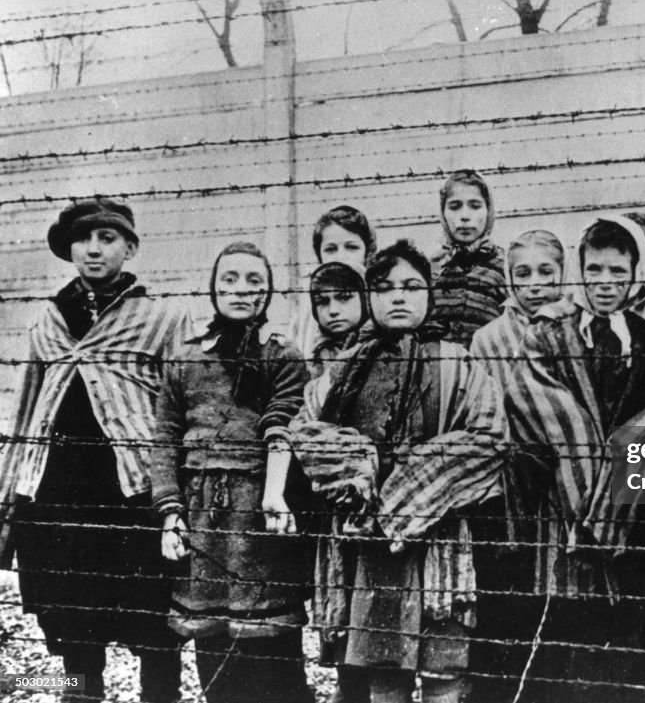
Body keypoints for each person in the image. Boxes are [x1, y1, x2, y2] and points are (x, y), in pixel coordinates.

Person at [289, 239, 507, 703]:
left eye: (412, 286)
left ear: (429, 293)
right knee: (383, 667)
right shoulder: (344, 367)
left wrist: (414, 485)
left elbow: (490, 439)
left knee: (445, 666)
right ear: (370, 297)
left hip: (438, 538)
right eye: (385, 288)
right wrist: (356, 466)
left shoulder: (457, 361)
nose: (399, 297)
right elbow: (306, 431)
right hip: (366, 542)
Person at [0, 197, 188, 703]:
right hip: (60, 496)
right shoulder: (47, 322)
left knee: (155, 630)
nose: (94, 249)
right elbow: (24, 412)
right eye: (84, 240)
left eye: (107, 238)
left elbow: (181, 407)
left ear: (130, 247)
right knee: (72, 632)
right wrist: (9, 499)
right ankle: (77, 696)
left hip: (133, 496)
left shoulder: (161, 318)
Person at [504, 215, 645, 702]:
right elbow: (547, 414)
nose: (605, 283)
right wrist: (598, 488)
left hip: (644, 509)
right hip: (571, 510)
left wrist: (639, 444)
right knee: (579, 641)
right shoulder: (549, 331)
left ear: (637, 272)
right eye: (594, 270)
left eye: (617, 271)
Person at [150, 241, 314, 703]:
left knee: (275, 658)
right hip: (202, 519)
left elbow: (286, 428)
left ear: (268, 292)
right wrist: (170, 512)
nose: (240, 291)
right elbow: (164, 437)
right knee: (214, 652)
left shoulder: (283, 356)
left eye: (253, 282)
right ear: (214, 289)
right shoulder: (185, 358)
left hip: (260, 516)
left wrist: (275, 497)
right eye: (230, 280)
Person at [468, 229, 568, 702]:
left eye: (546, 272)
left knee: (557, 602)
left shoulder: (575, 328)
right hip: (508, 482)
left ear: (562, 275)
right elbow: (481, 409)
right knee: (507, 599)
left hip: (566, 482)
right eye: (523, 274)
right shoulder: (489, 339)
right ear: (509, 279)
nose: (535, 285)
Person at [290, 205, 377, 374]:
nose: (341, 256)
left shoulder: (381, 308)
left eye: (352, 247)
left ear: (367, 253)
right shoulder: (305, 318)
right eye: (330, 249)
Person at [431, 169, 508, 348]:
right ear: (443, 213)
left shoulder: (505, 267)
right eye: (454, 206)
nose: (465, 216)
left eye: (475, 205)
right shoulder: (431, 269)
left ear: (488, 211)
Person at [306, 261, 367, 380]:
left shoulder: (381, 350)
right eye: (322, 301)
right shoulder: (315, 357)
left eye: (344, 297)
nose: (333, 311)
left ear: (365, 299)